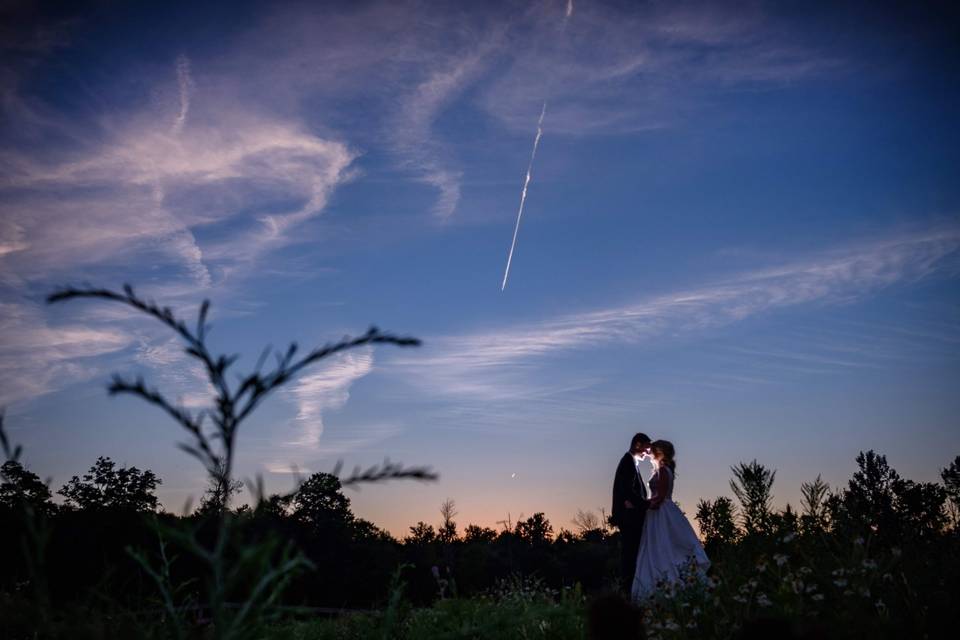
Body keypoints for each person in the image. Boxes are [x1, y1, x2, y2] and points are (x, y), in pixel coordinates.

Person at [632, 439, 710, 601]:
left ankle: (667, 586)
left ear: (659, 452)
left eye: (653, 450)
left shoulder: (663, 471)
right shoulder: (664, 470)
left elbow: (659, 497)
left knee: (662, 547)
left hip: (660, 513)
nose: (650, 453)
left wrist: (641, 506)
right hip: (660, 512)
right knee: (660, 547)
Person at [611, 432, 651, 595]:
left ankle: (630, 588)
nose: (647, 453)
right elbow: (626, 489)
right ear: (637, 444)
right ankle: (627, 590)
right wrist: (644, 504)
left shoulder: (631, 462)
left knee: (632, 552)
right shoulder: (627, 461)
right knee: (630, 553)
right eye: (646, 448)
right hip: (629, 518)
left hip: (631, 516)